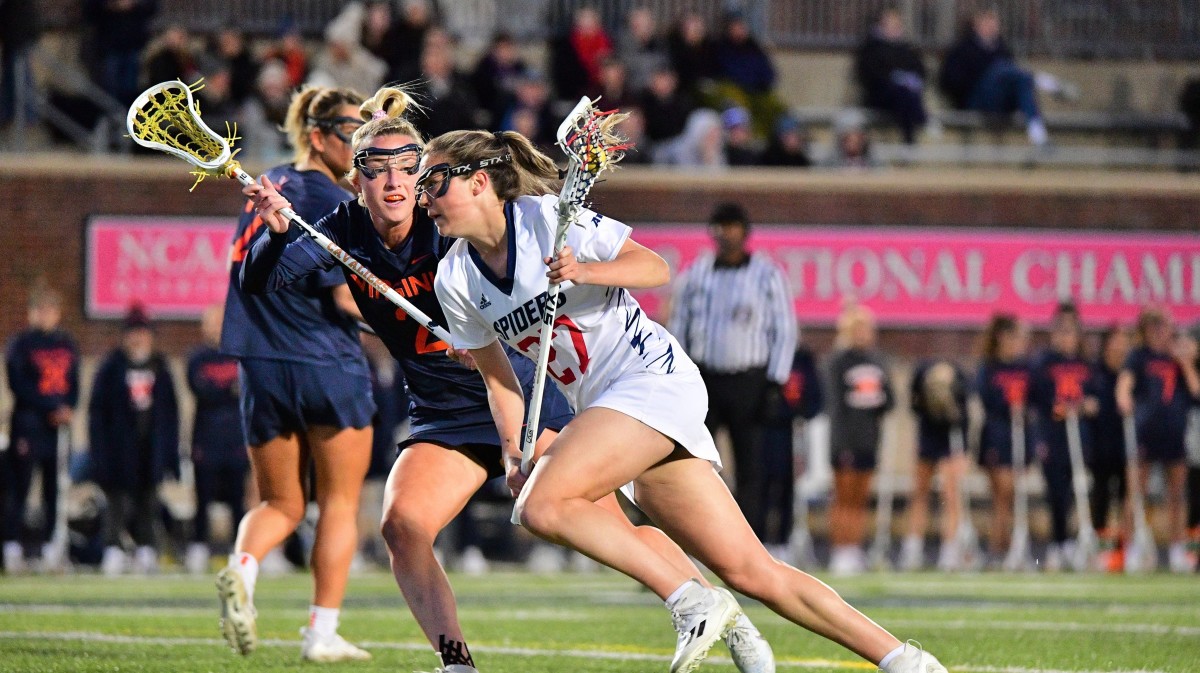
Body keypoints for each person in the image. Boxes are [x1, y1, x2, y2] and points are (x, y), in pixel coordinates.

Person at [240, 86, 775, 673]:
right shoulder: (342, 229)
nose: (393, 183)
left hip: (524, 395)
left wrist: (481, 338)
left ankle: (717, 614)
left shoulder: (445, 219)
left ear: (424, 179)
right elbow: (261, 281)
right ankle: (457, 664)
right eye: (376, 170)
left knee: (602, 521)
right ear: (354, 180)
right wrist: (279, 232)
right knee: (402, 525)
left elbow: (505, 269)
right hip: (445, 413)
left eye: (406, 169)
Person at [423, 126, 949, 673]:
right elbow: (498, 378)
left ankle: (691, 599)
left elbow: (655, 267)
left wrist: (587, 270)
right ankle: (905, 661)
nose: (424, 199)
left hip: (649, 378)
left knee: (542, 505)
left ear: (479, 180)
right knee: (751, 571)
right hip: (606, 407)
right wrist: (514, 450)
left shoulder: (547, 219)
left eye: (434, 182)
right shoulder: (454, 278)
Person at [216, 84, 377, 662]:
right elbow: (345, 302)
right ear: (317, 136)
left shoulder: (271, 184)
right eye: (351, 136)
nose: (362, 149)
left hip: (260, 361)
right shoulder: (323, 196)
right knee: (339, 503)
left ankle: (242, 568)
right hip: (323, 359)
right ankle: (321, 632)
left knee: (280, 504)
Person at [669, 202, 796, 542]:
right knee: (689, 462)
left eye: (732, 226)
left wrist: (774, 382)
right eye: (720, 227)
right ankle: (689, 541)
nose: (726, 234)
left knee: (751, 467)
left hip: (749, 381)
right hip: (705, 378)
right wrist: (680, 376)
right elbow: (679, 326)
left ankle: (748, 543)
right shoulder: (695, 274)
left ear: (745, 231)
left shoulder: (768, 274)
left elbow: (784, 329)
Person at [88, 305, 179, 577]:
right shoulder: (110, 368)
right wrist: (99, 452)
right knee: (116, 502)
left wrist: (170, 453)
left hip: (150, 449)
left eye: (142, 333)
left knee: (148, 503)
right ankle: (113, 548)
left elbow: (171, 414)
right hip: (118, 449)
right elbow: (97, 413)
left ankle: (146, 549)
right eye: (133, 333)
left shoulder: (160, 367)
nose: (137, 339)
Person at [1116, 306, 1200, 572]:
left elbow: (1196, 390)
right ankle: (1130, 548)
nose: (1160, 333)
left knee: (1176, 494)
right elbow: (1124, 384)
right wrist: (1124, 398)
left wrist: (1185, 362)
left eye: (1163, 326)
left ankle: (1177, 548)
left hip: (1174, 432)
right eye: (1153, 327)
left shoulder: (1179, 355)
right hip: (1145, 432)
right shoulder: (1139, 356)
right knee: (1136, 492)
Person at [2, 285, 79, 573]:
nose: (46, 316)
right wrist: (50, 408)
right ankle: (11, 547)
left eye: (51, 310)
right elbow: (18, 384)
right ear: (32, 312)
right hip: (29, 426)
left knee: (54, 490)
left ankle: (50, 547)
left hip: (57, 431)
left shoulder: (66, 344)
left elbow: (74, 383)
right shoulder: (21, 344)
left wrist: (68, 408)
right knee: (19, 488)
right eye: (41, 309)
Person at [1029, 302, 1100, 572]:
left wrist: (1085, 406)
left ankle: (1075, 541)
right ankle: (1058, 543)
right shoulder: (1043, 363)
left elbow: (1095, 397)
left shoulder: (1086, 364)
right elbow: (1039, 398)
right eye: (1061, 331)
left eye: (1071, 332)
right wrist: (1059, 408)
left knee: (1076, 489)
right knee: (1056, 490)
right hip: (1053, 435)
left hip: (1079, 434)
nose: (1066, 338)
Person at [826, 303, 895, 575]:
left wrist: (878, 396)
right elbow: (834, 405)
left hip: (869, 439)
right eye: (860, 329)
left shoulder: (878, 361)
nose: (866, 334)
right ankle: (840, 549)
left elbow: (889, 401)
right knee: (843, 495)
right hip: (845, 439)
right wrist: (840, 441)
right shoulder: (838, 362)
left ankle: (854, 548)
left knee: (861, 497)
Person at [184, 304, 248, 575]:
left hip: (236, 439)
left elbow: (246, 388)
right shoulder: (197, 357)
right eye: (211, 323)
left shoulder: (240, 355)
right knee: (203, 498)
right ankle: (199, 547)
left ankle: (241, 551)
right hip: (206, 440)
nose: (216, 328)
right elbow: (202, 389)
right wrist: (227, 390)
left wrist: (225, 391)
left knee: (237, 500)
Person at [937, 8, 1048, 147]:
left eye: (993, 23)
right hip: (976, 99)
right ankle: (1043, 81)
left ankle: (1039, 138)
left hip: (1000, 100)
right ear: (976, 25)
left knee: (1022, 81)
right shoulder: (962, 48)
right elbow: (949, 80)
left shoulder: (1003, 48)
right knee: (1001, 69)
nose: (991, 27)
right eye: (987, 23)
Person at [900, 357, 970, 572]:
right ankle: (912, 547)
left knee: (950, 494)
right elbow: (913, 404)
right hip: (929, 434)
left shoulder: (959, 372)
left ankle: (949, 549)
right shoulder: (921, 369)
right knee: (920, 492)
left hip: (952, 436)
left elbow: (964, 409)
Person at [974, 312, 1032, 565]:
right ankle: (999, 548)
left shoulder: (1026, 368)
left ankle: (1006, 547)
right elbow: (984, 399)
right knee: (1002, 493)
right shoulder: (989, 368)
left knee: (1009, 496)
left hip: (1019, 434)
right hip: (996, 434)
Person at [1088, 324, 1130, 571]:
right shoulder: (1095, 373)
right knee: (1101, 497)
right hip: (1101, 444)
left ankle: (1124, 549)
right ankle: (1101, 549)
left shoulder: (1130, 372)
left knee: (1127, 497)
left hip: (1128, 445)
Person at [854, 6, 928, 146]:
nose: (893, 28)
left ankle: (911, 137)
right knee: (903, 94)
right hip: (879, 95)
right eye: (889, 24)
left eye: (896, 24)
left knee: (906, 95)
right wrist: (894, 79)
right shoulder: (871, 46)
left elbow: (920, 70)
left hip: (904, 97)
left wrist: (910, 79)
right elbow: (869, 74)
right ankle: (919, 122)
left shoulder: (906, 48)